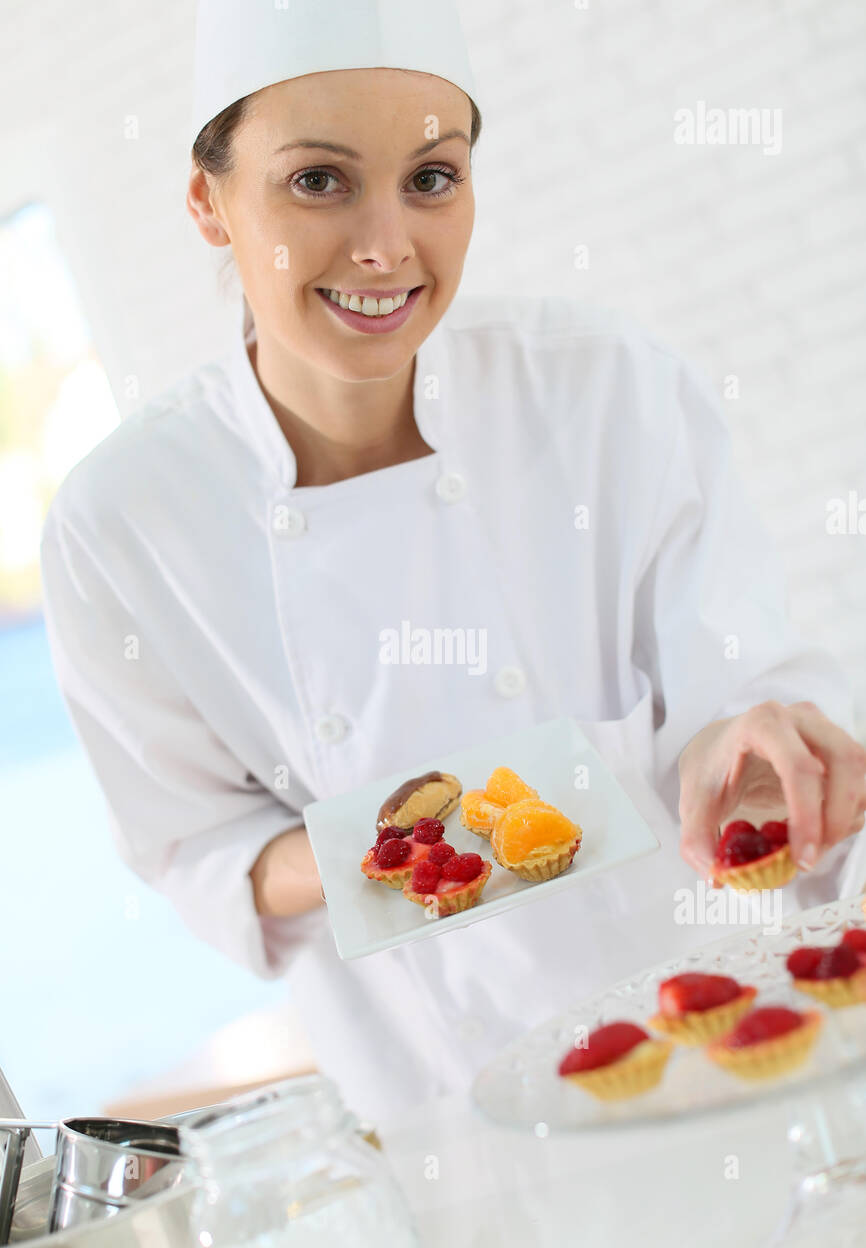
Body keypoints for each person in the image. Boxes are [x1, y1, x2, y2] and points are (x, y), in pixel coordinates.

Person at [40, 0, 866, 1123]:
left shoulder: (604, 386)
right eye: (319, 181)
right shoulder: (121, 527)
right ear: (207, 201)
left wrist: (763, 737)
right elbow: (199, 856)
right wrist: (477, 832)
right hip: (448, 1102)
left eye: (430, 177)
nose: (385, 247)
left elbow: (732, 688)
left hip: (721, 1028)